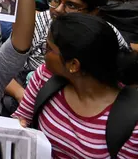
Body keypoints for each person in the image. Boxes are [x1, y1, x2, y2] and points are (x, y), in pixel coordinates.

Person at [13, 13, 138, 158]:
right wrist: (17, 126)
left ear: (73, 64)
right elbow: (21, 119)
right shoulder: (45, 77)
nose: (43, 54)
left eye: (48, 48)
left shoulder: (132, 122)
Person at [4, 0, 131, 109]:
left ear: (94, 11)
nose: (58, 10)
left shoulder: (108, 37)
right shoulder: (38, 23)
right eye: (56, 0)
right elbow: (4, 68)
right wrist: (20, 93)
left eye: (71, 5)